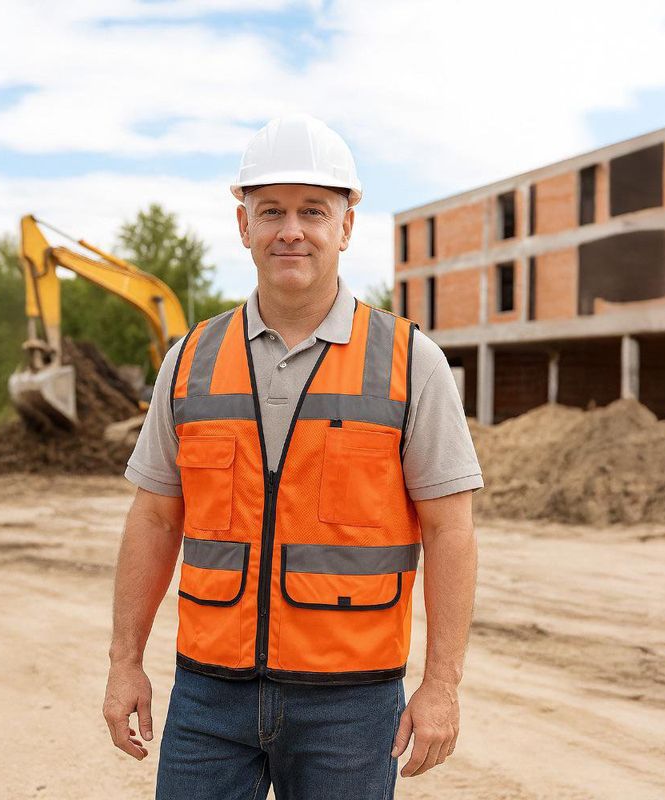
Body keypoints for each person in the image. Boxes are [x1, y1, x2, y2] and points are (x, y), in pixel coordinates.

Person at [103, 113, 483, 799]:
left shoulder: (408, 361)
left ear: (346, 225)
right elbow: (156, 519)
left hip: (352, 706)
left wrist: (441, 685)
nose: (291, 230)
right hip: (207, 698)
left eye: (314, 210)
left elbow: (450, 529)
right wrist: (124, 661)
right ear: (243, 223)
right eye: (270, 210)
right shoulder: (188, 361)